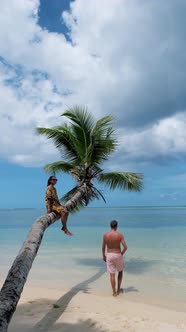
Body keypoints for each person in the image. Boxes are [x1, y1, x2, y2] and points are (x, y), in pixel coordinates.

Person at [102, 220, 127, 296]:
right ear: (116, 226)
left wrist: (103, 255)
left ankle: (114, 292)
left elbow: (103, 247)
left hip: (109, 255)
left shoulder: (105, 235)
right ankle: (118, 289)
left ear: (110, 226)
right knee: (120, 271)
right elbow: (125, 247)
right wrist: (121, 254)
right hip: (117, 254)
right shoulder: (120, 235)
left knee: (112, 274)